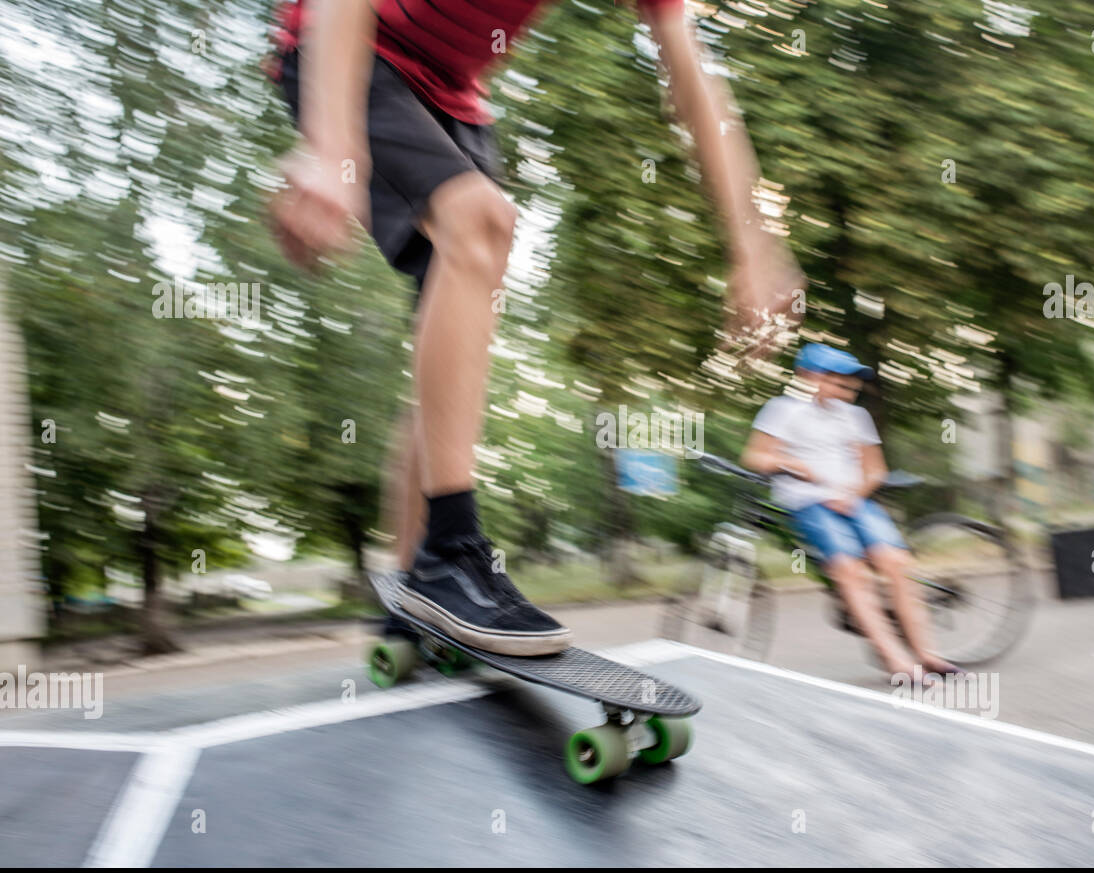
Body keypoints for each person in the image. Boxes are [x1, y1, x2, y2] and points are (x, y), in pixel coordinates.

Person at [266, 1, 804, 654]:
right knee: (483, 219)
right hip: (348, 45)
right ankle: (451, 555)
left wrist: (753, 243)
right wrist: (332, 145)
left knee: (450, 361)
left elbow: (690, 73)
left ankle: (413, 602)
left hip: (455, 99)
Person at [740, 343, 958, 680]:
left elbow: (874, 471)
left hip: (854, 500)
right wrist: (793, 464)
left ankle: (929, 655)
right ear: (808, 377)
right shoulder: (782, 410)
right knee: (850, 571)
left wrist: (852, 494)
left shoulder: (857, 417)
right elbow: (756, 458)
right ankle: (897, 661)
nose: (849, 389)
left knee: (898, 563)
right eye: (839, 381)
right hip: (808, 502)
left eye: (852, 383)